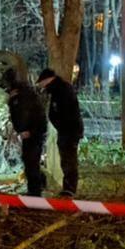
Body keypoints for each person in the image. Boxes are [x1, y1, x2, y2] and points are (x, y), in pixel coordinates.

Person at [37, 67, 84, 196]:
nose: (41, 86)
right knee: (66, 159)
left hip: (69, 131)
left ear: (47, 80)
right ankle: (68, 188)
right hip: (67, 131)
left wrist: (61, 126)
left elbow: (64, 113)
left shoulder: (61, 90)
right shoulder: (59, 89)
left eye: (41, 83)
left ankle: (69, 189)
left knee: (69, 160)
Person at [5, 70, 47, 196]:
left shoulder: (22, 97)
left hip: (32, 133)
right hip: (31, 132)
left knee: (31, 162)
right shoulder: (25, 94)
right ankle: (38, 185)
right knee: (29, 160)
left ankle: (35, 191)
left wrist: (27, 131)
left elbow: (25, 115)